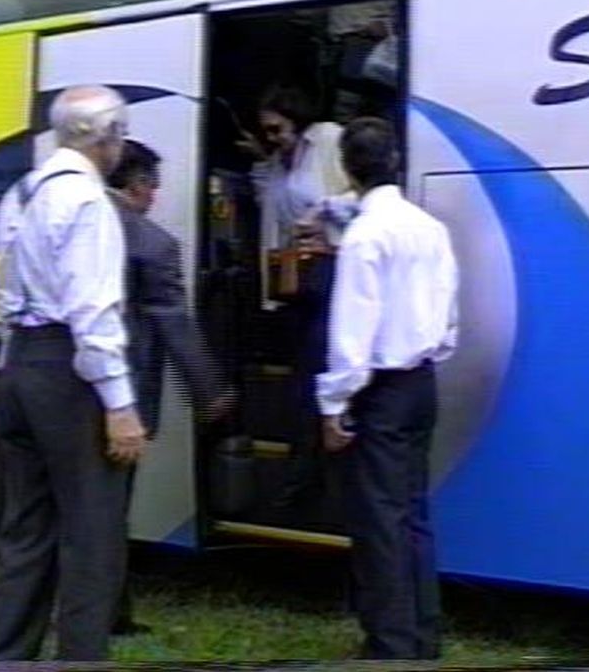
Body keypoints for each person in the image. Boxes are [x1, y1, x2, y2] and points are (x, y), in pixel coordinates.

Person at [0, 85, 146, 662]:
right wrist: (119, 405)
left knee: (26, 530)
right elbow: (92, 310)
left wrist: (9, 363)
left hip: (20, 362)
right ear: (106, 137)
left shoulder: (21, 193)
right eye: (118, 133)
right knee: (92, 534)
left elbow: (1, 291)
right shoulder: (89, 202)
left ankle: (1, 657)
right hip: (67, 374)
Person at [316, 117, 459, 660]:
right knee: (414, 510)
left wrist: (334, 402)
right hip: (422, 380)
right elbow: (448, 318)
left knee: (379, 519)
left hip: (379, 388)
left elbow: (353, 331)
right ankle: (423, 633)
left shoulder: (364, 236)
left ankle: (390, 642)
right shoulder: (430, 228)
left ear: (347, 168)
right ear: (396, 162)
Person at [105, 138, 235, 634]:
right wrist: (210, 390)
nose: (155, 196)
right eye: (154, 185)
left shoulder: (66, 224)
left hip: (62, 390)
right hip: (124, 397)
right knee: (110, 508)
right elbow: (172, 324)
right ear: (138, 185)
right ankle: (108, 614)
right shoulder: (152, 243)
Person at [237, 83, 356, 510]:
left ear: (298, 119)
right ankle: (306, 481)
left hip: (331, 272)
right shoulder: (277, 161)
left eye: (277, 128)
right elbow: (270, 206)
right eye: (267, 131)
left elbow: (358, 192)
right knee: (302, 381)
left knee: (315, 379)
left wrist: (322, 218)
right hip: (295, 279)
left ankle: (308, 484)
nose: (273, 137)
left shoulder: (327, 138)